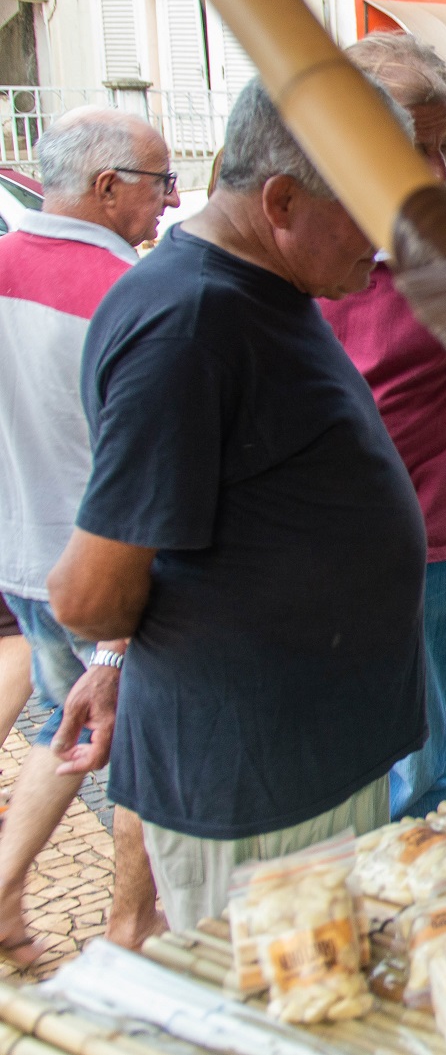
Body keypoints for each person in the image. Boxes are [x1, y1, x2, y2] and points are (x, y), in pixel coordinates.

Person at [50, 78, 429, 930]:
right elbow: (92, 587)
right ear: (281, 199)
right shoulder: (187, 324)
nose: (386, 236)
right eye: (367, 207)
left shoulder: (268, 286)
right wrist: (115, 660)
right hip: (256, 784)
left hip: (306, 764)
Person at [0, 108, 172, 961]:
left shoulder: (1, 266)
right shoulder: (123, 295)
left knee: (59, 731)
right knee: (143, 747)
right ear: (107, 187)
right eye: (157, 181)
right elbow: (143, 463)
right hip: (105, 573)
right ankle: (133, 925)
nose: (169, 199)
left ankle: (1, 894)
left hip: (24, 558)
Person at [318, 33, 446, 820]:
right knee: (321, 766)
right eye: (411, 147)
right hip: (305, 536)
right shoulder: (300, 218)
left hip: (426, 532)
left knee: (420, 766)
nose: (435, 169)